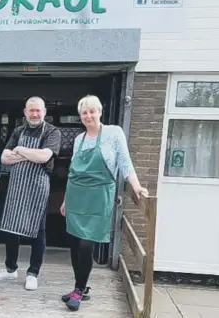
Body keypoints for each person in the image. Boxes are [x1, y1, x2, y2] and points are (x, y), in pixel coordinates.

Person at [60, 94, 149, 311]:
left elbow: (124, 162)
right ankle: (79, 286)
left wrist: (136, 186)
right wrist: (65, 201)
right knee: (74, 244)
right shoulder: (79, 139)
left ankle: (79, 290)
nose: (88, 115)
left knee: (86, 244)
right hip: (76, 196)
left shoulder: (113, 133)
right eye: (84, 112)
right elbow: (72, 172)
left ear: (100, 112)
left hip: (99, 197)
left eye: (92, 111)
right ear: (80, 116)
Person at [0, 97, 61, 291]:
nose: (35, 114)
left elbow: (45, 156)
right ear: (25, 112)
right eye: (31, 111)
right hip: (17, 185)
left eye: (38, 110)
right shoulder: (18, 130)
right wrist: (30, 155)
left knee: (38, 231)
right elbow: (4, 157)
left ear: (44, 111)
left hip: (38, 186)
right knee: (11, 227)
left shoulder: (52, 132)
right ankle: (10, 269)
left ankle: (33, 273)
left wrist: (19, 150)